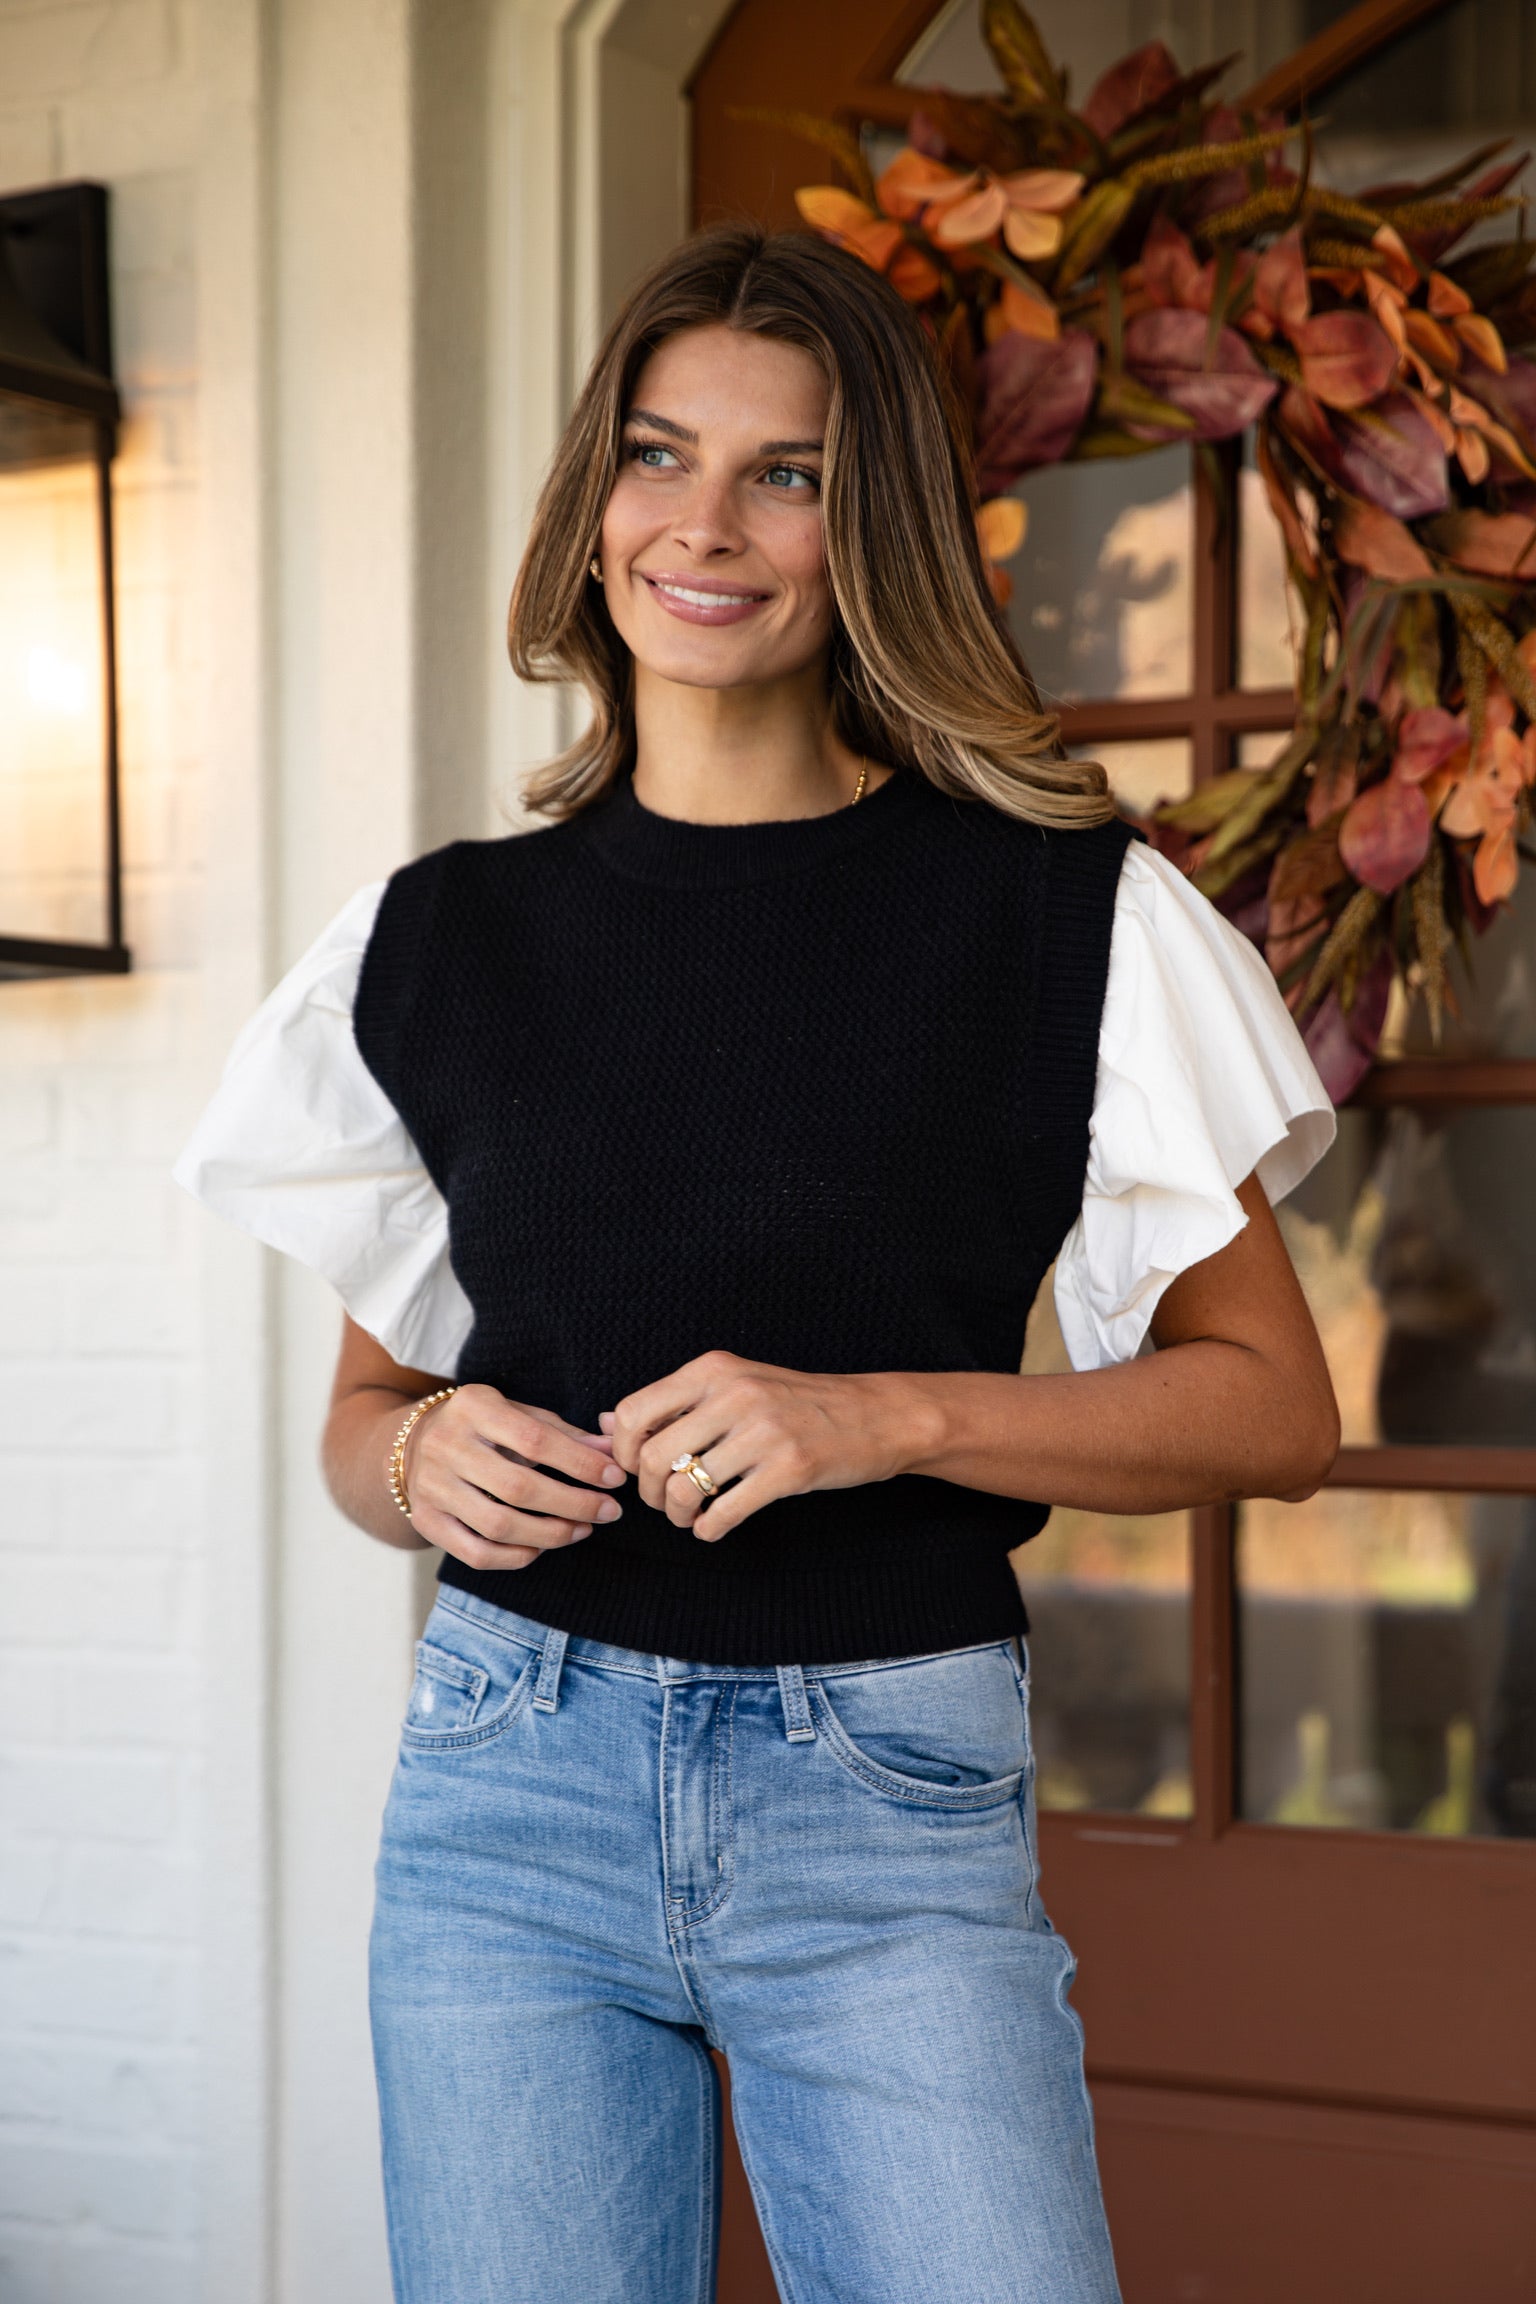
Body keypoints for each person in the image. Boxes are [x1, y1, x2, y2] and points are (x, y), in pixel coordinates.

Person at [177, 224, 1339, 2304]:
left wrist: (880, 1416)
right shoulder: (437, 940)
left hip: (881, 1801)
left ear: (864, 522)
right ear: (591, 502)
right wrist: (419, 1461)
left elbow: (1277, 1403)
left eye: (785, 473)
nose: (703, 525)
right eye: (656, 454)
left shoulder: (1061, 919)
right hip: (505, 1790)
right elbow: (367, 1426)